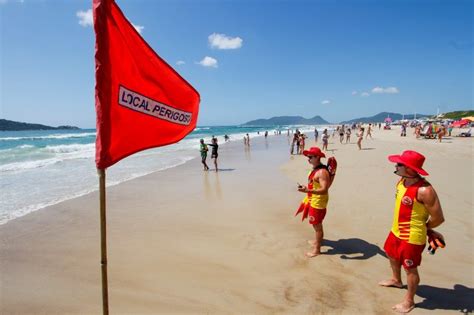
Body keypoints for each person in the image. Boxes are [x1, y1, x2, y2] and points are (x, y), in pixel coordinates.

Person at [379, 150, 445, 313]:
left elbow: (438, 217)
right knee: (391, 254)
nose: (395, 165)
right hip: (395, 231)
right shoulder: (402, 181)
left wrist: (427, 229)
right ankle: (396, 279)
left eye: (399, 164)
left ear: (409, 168)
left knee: (410, 268)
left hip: (412, 237)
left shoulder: (425, 190)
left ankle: (409, 301)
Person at [295, 147, 336, 257]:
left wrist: (307, 190)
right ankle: (318, 241)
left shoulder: (322, 172)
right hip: (313, 199)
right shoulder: (315, 169)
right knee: (317, 224)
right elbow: (314, 184)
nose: (308, 159)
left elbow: (324, 189)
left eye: (310, 157)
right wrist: (306, 188)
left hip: (318, 202)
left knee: (317, 226)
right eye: (307, 157)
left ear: (318, 157)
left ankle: (317, 249)